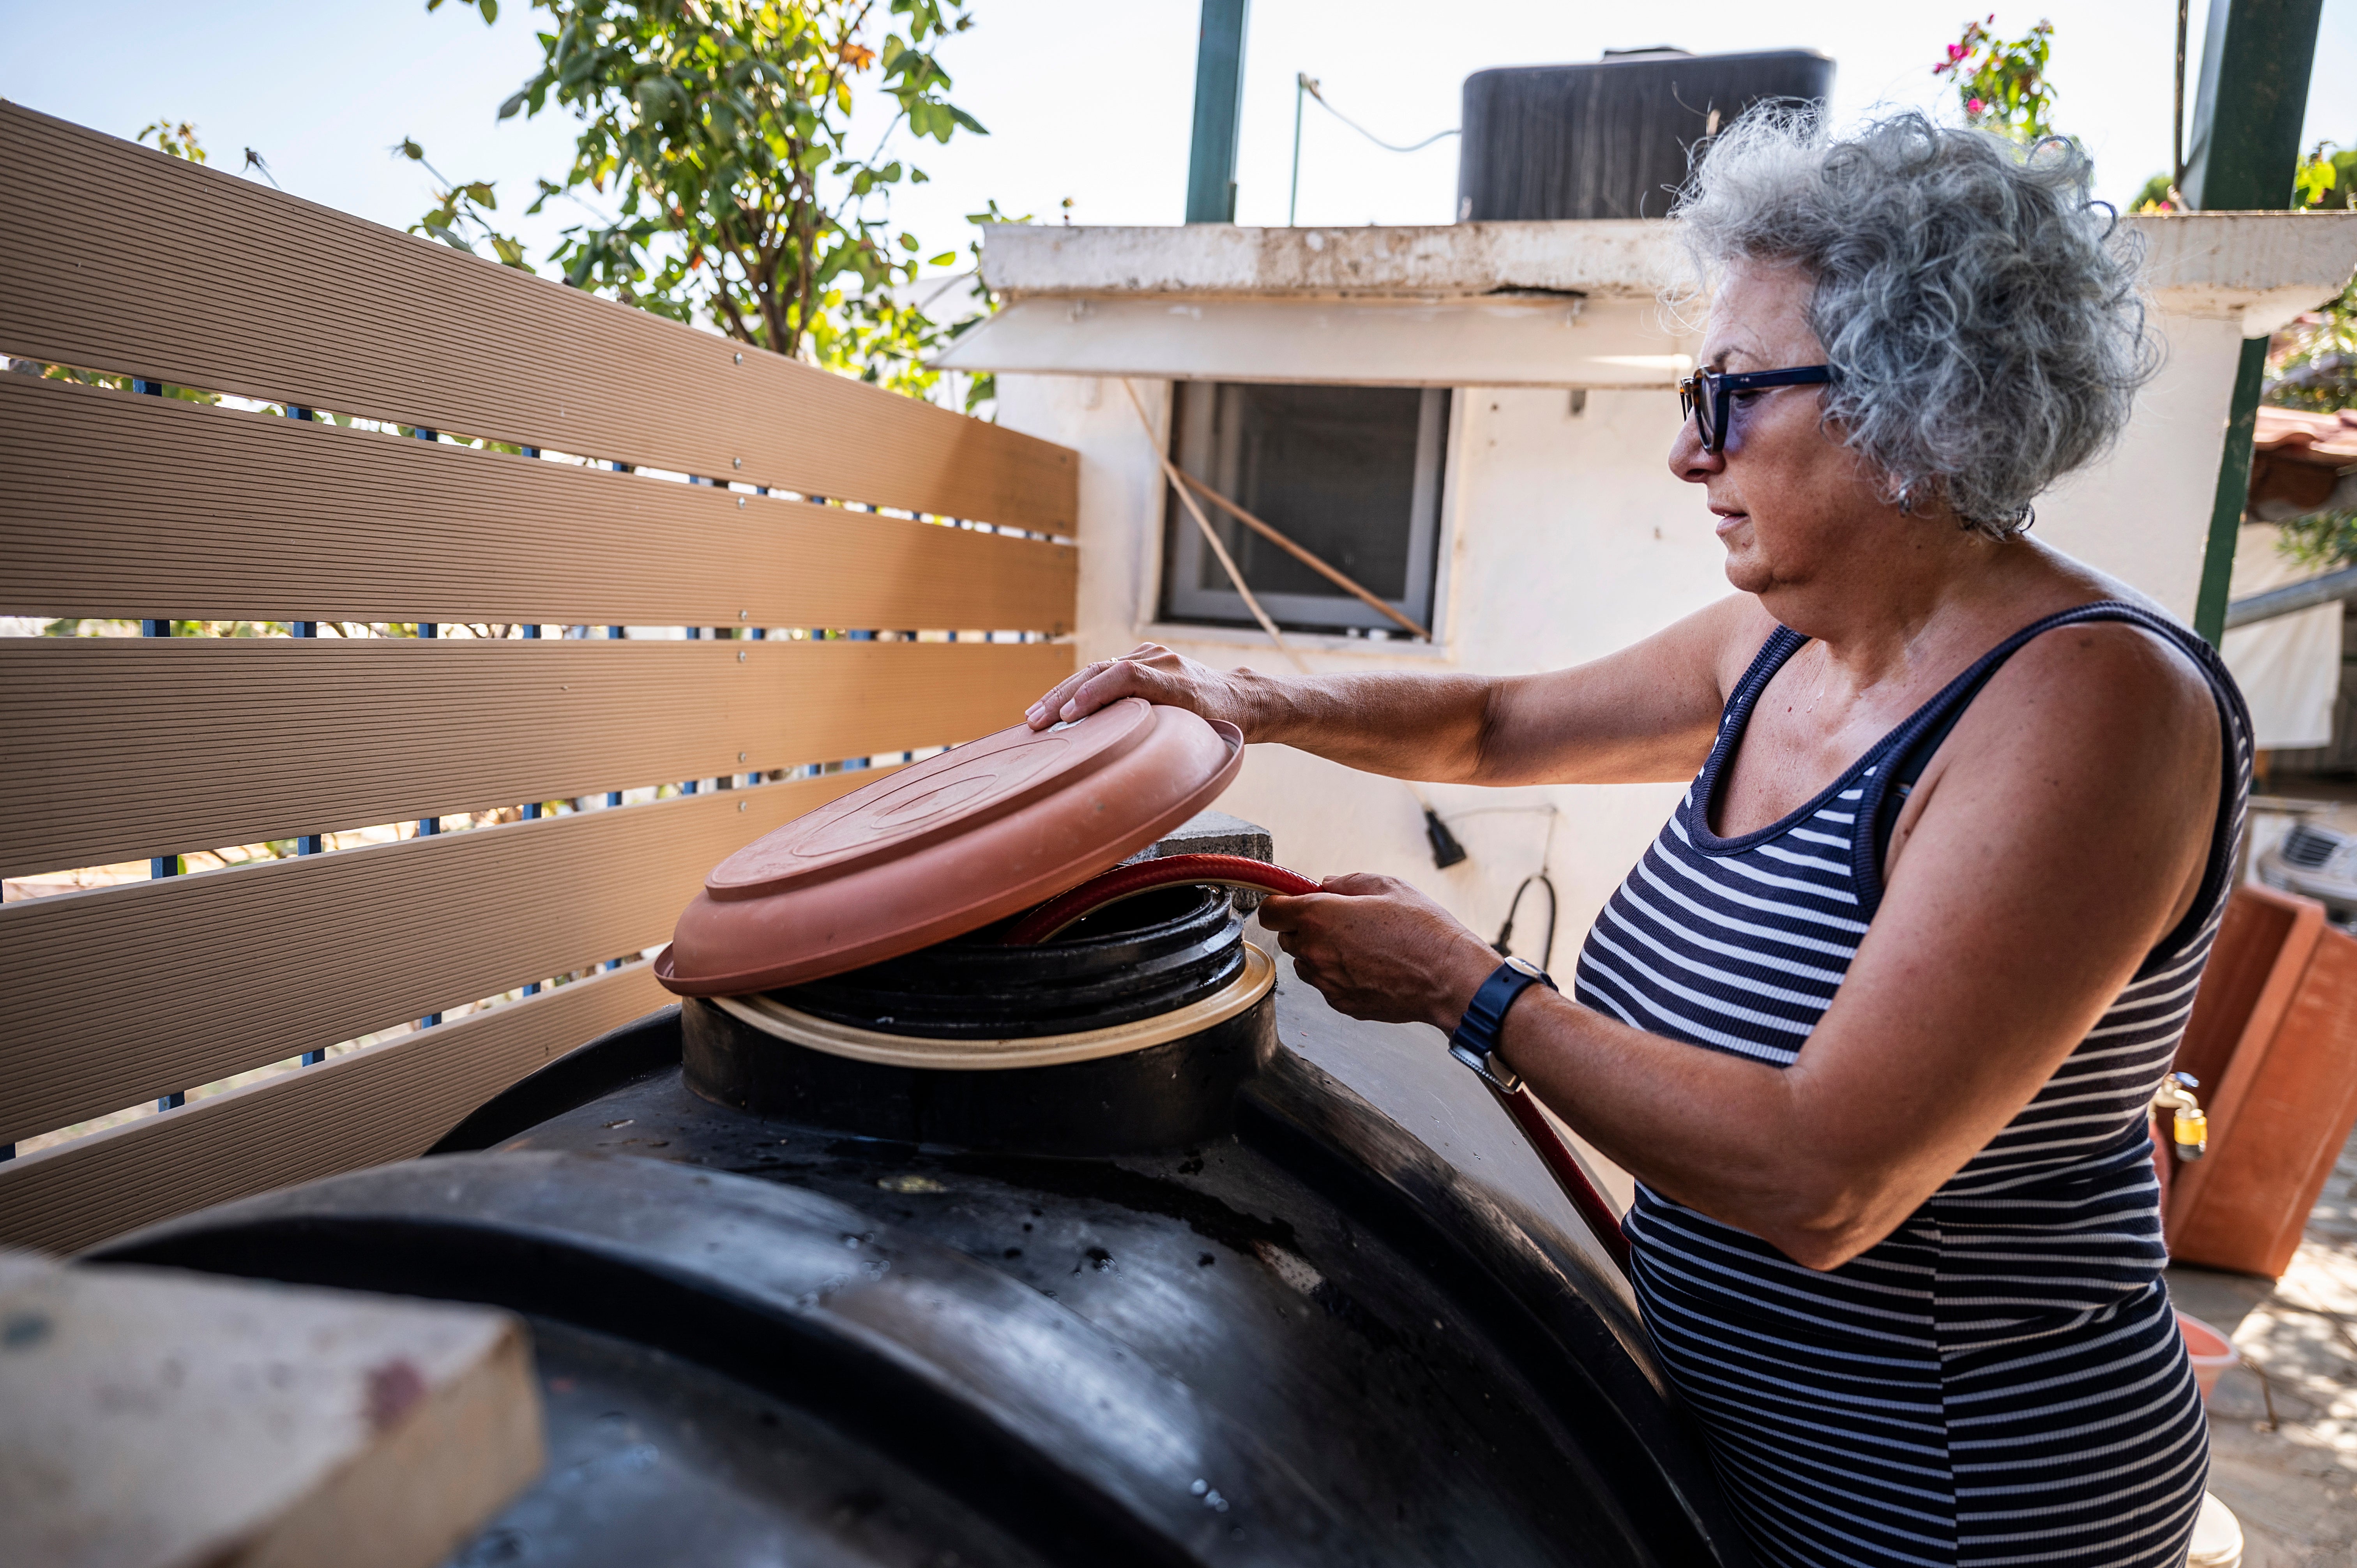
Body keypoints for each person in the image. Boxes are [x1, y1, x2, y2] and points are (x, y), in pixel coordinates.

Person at [1025, 111, 2248, 1568]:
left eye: (1728, 395)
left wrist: (1466, 991)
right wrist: (1246, 690)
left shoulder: (2088, 709)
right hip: (1736, 1444)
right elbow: (1495, 727)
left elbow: (1826, 1182)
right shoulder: (1785, 644)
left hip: (1955, 1509)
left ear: (1908, 402)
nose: (1686, 449)